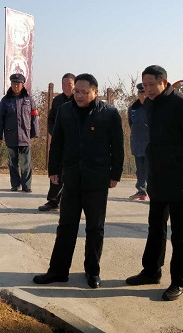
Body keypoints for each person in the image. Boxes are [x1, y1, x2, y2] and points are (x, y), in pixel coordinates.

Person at [33, 73, 124, 289]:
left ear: (95, 92)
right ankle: (58, 271)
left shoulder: (109, 113)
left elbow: (117, 146)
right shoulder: (65, 111)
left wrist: (115, 174)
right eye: (76, 92)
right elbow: (57, 143)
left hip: (97, 178)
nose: (79, 96)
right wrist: (53, 170)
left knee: (95, 227)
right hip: (72, 177)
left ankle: (92, 271)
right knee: (66, 225)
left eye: (84, 92)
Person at [126, 65, 183, 301]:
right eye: (145, 85)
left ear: (164, 82)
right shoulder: (151, 105)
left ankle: (180, 280)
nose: (148, 89)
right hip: (158, 177)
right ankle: (151, 271)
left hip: (181, 178)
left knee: (181, 233)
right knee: (155, 227)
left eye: (152, 85)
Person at [0, 73, 39, 192]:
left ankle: (26, 185)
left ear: (22, 85)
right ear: (11, 84)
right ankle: (15, 184)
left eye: (18, 84)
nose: (16, 86)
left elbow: (34, 117)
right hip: (11, 135)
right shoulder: (5, 100)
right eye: (14, 84)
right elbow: (0, 118)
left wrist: (35, 132)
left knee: (26, 163)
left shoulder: (29, 99)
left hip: (25, 135)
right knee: (12, 163)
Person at [39, 72, 76, 211]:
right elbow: (51, 119)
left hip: (76, 143)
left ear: (75, 85)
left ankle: (72, 202)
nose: (66, 87)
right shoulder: (58, 101)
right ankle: (53, 201)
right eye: (64, 84)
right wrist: (54, 133)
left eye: (69, 84)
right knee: (56, 171)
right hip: (60, 143)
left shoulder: (79, 100)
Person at [128, 82, 149, 201]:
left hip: (150, 144)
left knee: (150, 170)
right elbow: (131, 124)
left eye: (145, 93)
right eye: (141, 93)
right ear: (138, 94)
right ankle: (141, 191)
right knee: (140, 170)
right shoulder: (133, 109)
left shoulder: (153, 108)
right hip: (137, 143)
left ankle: (154, 193)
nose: (143, 96)